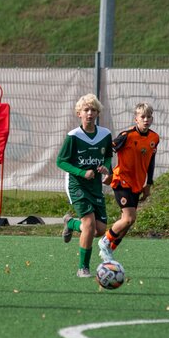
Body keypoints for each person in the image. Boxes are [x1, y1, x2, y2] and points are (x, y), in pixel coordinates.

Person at [57, 93, 113, 278]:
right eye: (86, 110)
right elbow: (61, 161)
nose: (90, 113)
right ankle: (83, 268)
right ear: (79, 113)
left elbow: (107, 156)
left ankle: (71, 223)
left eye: (93, 110)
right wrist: (82, 172)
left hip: (95, 187)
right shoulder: (73, 136)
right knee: (88, 224)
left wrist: (106, 168)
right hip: (77, 185)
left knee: (99, 230)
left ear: (98, 113)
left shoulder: (105, 134)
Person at [98, 103, 159, 263]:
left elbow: (151, 161)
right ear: (136, 119)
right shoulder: (126, 136)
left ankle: (109, 250)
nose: (146, 120)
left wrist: (148, 184)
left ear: (152, 119)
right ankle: (105, 240)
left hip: (137, 184)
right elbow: (107, 151)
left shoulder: (154, 138)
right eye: (142, 117)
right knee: (129, 218)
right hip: (121, 180)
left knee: (127, 223)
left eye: (149, 117)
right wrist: (109, 173)